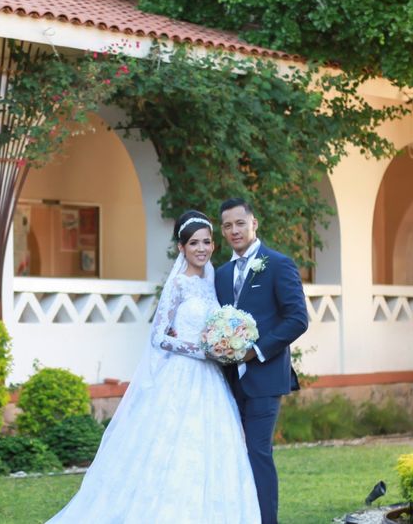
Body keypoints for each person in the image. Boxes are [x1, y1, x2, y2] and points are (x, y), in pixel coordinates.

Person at [46, 210, 260, 524]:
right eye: (193, 243)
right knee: (168, 448)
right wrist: (203, 351)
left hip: (210, 383)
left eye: (206, 242)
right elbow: (160, 337)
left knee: (211, 450)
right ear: (181, 248)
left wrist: (225, 343)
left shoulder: (212, 278)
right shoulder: (178, 284)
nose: (201, 249)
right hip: (180, 376)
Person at [215, 198, 309, 524]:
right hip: (227, 379)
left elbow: (297, 319)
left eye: (240, 223)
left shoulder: (278, 264)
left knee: (257, 451)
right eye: (227, 225)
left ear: (254, 223)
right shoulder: (221, 274)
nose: (234, 230)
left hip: (265, 378)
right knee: (233, 454)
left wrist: (256, 351)